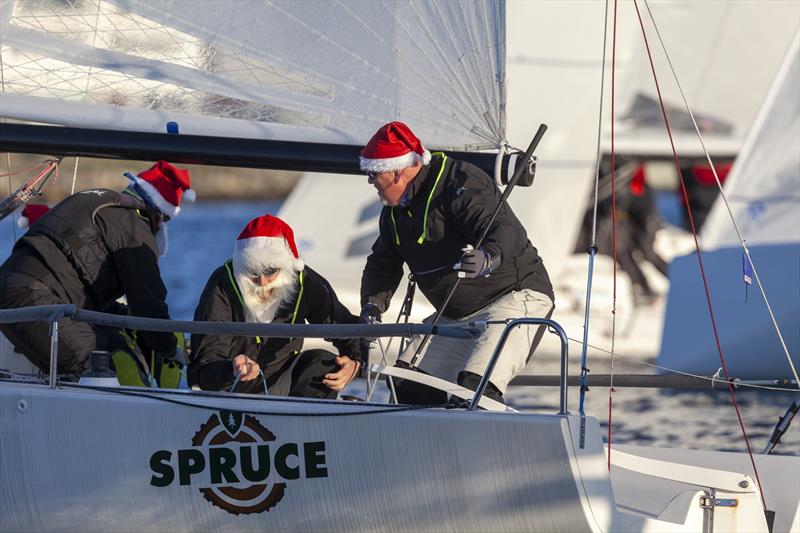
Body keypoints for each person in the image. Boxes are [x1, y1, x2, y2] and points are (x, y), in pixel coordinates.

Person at [358, 121, 555, 405]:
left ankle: (486, 443)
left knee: (476, 389)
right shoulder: (393, 213)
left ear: (397, 171)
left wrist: (488, 257)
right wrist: (373, 305)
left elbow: (503, 228)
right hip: (457, 314)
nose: (370, 182)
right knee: (406, 385)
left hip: (514, 297)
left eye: (373, 174)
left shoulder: (459, 180)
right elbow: (383, 263)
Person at [0, 160, 194, 386]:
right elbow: (148, 301)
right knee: (96, 367)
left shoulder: (99, 202)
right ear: (160, 216)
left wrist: (122, 315)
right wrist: (169, 348)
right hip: (33, 296)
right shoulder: (134, 226)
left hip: (14, 288)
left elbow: (79, 269)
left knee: (98, 348)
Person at [188, 214, 361, 398]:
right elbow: (205, 365)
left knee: (324, 362)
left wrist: (355, 364)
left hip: (283, 378)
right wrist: (232, 369)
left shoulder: (303, 281)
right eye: (252, 271)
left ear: (287, 267)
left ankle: (306, 422)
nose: (262, 282)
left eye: (270, 270)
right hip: (234, 384)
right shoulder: (222, 284)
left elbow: (346, 328)